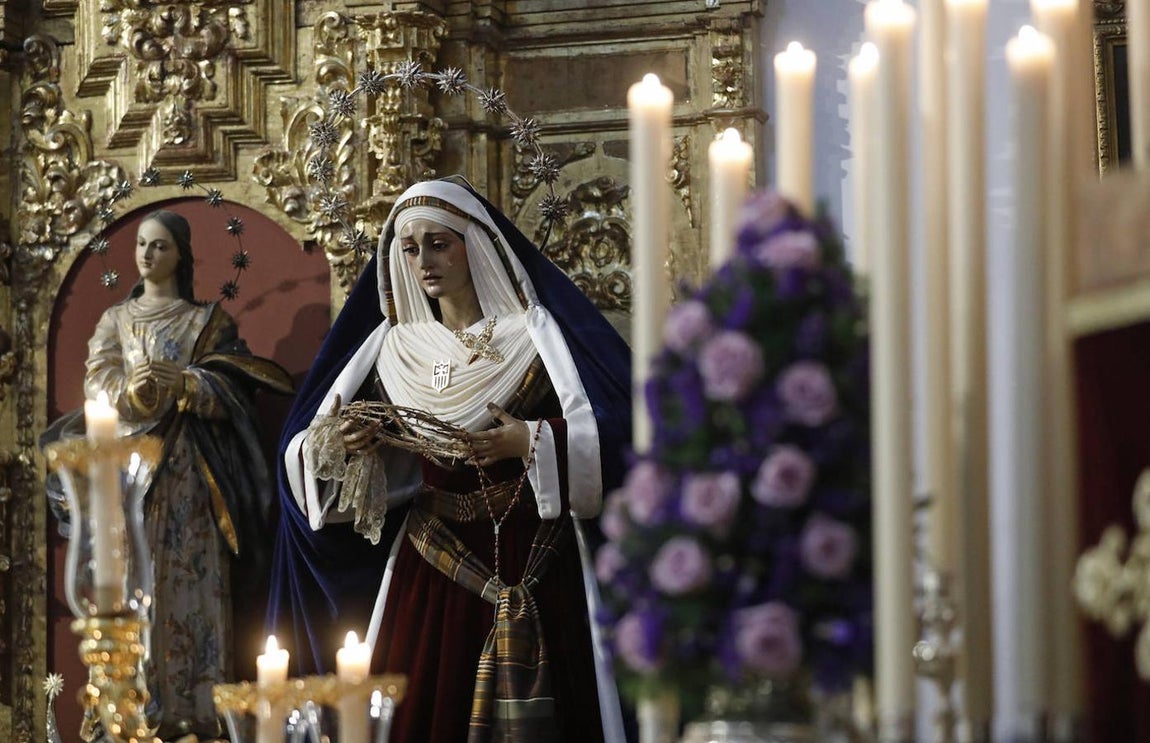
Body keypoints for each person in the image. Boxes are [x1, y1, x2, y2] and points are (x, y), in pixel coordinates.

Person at [269, 178, 632, 742]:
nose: (424, 262)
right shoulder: (393, 348)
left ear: (477, 245)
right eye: (409, 249)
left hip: (535, 549)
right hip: (433, 558)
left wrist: (533, 441)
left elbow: (620, 432)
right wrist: (349, 447)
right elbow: (306, 454)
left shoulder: (536, 336)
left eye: (440, 243)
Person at [47, 209, 293, 740]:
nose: (147, 255)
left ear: (180, 254)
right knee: (134, 583)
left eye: (159, 246)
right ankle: (132, 712)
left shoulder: (208, 322)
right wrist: (133, 389)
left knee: (192, 586)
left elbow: (235, 391)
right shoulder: (117, 321)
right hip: (133, 474)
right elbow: (97, 387)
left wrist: (186, 382)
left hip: (193, 477)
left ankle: (202, 717)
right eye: (141, 245)